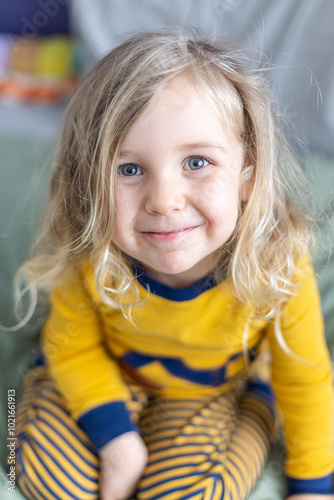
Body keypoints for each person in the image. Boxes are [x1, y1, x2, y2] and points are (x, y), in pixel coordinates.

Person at [11, 32, 333, 500]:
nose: (163, 201)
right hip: (98, 377)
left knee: (193, 493)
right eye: (129, 169)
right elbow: (71, 349)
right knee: (41, 471)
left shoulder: (276, 267)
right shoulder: (91, 254)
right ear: (89, 182)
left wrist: (314, 486)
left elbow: (305, 378)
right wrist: (117, 443)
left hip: (210, 392)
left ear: (247, 174)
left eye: (197, 162)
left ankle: (256, 410)